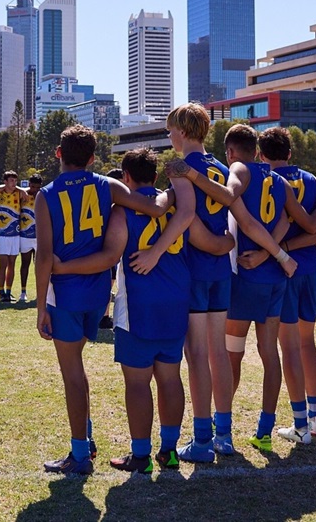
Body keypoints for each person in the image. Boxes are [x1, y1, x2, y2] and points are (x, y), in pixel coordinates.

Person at [36, 125, 180, 476]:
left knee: (72, 372)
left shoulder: (46, 194)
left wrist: (41, 306)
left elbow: (44, 255)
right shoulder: (109, 185)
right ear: (91, 158)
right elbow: (151, 206)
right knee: (80, 369)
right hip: (98, 294)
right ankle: (89, 438)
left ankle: (80, 454)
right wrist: (177, 192)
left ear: (58, 153)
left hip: (65, 292)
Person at [159, 103, 293, 463]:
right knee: (218, 352)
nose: (169, 136)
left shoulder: (180, 166)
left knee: (198, 354)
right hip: (223, 272)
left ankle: (202, 440)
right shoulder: (221, 167)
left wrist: (158, 251)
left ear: (184, 131)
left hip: (195, 269)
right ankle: (224, 434)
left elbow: (187, 216)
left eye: (172, 129)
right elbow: (238, 218)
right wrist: (227, 245)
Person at [215, 125, 316, 453]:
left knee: (232, 354)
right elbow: (295, 221)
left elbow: (234, 202)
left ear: (231, 153)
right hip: (275, 281)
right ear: (256, 149)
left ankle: (223, 430)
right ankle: (264, 429)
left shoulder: (239, 170)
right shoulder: (281, 181)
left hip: (246, 278)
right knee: (270, 354)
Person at [105, 148, 192, 474]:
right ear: (155, 176)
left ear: (125, 177)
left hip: (138, 305)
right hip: (175, 300)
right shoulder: (176, 203)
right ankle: (168, 451)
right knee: (170, 377)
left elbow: (111, 256)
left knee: (138, 383)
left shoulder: (123, 209)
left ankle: (140, 455)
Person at [257, 127, 316, 441]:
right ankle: (315, 417)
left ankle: (300, 423)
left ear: (261, 154)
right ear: (290, 152)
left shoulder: (264, 181)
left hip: (281, 269)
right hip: (311, 268)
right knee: (306, 343)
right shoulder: (313, 180)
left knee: (288, 347)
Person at [0, 172, 23, 302]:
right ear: (5, 181)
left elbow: (33, 189)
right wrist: (5, 187)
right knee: (3, 264)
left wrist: (19, 188)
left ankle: (9, 291)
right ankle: (1, 291)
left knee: (12, 264)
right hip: (1, 234)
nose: (14, 183)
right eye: (11, 180)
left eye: (15, 181)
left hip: (15, 234)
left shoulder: (19, 193)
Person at [18, 174, 42, 303]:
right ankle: (23, 292)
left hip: (39, 237)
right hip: (25, 236)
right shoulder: (23, 195)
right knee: (25, 264)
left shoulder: (43, 197)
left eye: (37, 187)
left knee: (39, 266)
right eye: (33, 186)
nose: (35, 190)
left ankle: (40, 292)